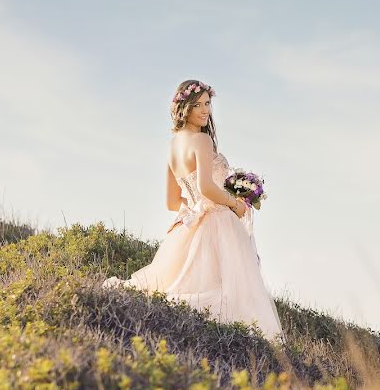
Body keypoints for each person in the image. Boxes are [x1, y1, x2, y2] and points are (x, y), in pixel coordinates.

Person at [102, 79, 285, 344]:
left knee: (185, 285)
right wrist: (234, 204)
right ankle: (235, 344)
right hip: (219, 222)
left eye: (207, 104)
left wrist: (195, 209)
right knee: (231, 292)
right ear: (183, 107)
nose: (204, 110)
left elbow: (171, 201)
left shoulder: (173, 146)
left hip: (192, 226)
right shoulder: (201, 140)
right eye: (197, 105)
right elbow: (206, 187)